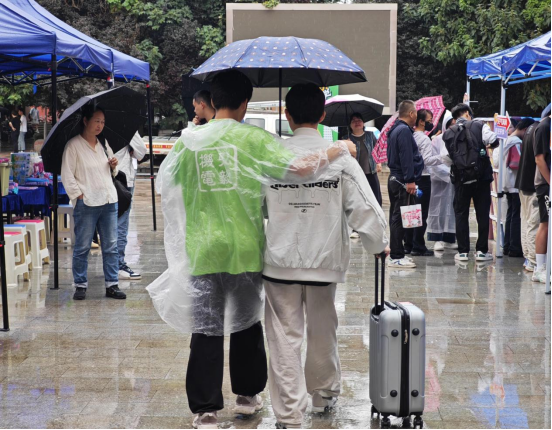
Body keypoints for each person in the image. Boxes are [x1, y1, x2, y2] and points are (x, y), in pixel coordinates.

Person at [146, 70, 350, 430]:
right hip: (244, 248)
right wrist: (339, 148)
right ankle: (246, 397)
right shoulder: (255, 139)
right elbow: (300, 168)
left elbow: (169, 184)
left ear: (212, 100)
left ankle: (205, 409)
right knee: (246, 325)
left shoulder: (189, 142)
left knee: (206, 329)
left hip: (202, 248)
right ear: (244, 103)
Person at [263, 84, 388, 430]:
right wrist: (378, 244)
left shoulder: (271, 156)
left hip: (279, 262)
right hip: (324, 260)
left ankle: (289, 415)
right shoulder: (340, 157)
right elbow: (365, 205)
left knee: (283, 339)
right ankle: (321, 396)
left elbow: (256, 206)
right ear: (322, 115)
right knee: (323, 329)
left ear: (287, 115)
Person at [61, 106, 126, 302]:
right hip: (87, 203)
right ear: (85, 121)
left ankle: (112, 285)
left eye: (103, 122)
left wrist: (113, 166)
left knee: (111, 246)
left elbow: (112, 173)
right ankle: (80, 285)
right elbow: (67, 175)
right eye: (97, 121)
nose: (100, 125)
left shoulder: (103, 144)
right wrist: (79, 196)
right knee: (82, 246)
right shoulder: (73, 146)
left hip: (108, 200)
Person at [442, 103, 498, 262]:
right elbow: (493, 139)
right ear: (467, 113)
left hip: (461, 179)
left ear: (455, 118)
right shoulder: (480, 125)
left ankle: (463, 252)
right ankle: (481, 251)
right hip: (481, 178)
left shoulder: (448, 133)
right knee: (482, 213)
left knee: (461, 214)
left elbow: (446, 158)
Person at [386, 100, 424, 268]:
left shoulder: (396, 129)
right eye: (415, 112)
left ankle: (398, 252)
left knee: (398, 216)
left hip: (397, 178)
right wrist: (410, 180)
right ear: (411, 114)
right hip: (402, 180)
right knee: (398, 218)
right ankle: (396, 256)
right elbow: (406, 156)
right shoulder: (403, 131)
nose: (416, 116)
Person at [493, 118, 536, 258]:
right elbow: (520, 162)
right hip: (515, 183)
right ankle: (515, 248)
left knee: (510, 214)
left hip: (505, 183)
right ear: (525, 129)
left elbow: (497, 162)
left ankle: (507, 246)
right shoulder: (517, 142)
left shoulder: (505, 140)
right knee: (516, 215)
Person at [406, 108, 440, 257]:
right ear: (421, 121)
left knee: (412, 212)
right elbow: (427, 160)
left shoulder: (411, 135)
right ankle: (419, 245)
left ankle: (409, 244)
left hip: (412, 177)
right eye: (429, 120)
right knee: (422, 213)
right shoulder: (425, 139)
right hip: (424, 177)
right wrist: (442, 158)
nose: (431, 123)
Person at [115, 132, 148, 280]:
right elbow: (141, 152)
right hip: (122, 180)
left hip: (102, 180)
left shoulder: (92, 126)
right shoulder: (124, 126)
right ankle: (118, 265)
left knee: (107, 225)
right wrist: (130, 150)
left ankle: (111, 265)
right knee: (120, 224)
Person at [428, 112, 457, 251]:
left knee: (452, 209)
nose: (453, 127)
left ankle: (449, 238)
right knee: (438, 208)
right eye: (450, 124)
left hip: (454, 180)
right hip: (440, 181)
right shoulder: (437, 140)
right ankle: (437, 238)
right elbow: (432, 161)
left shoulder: (459, 137)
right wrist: (447, 173)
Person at [515, 120, 541, 272]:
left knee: (526, 221)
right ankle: (533, 260)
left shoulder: (530, 130)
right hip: (533, 185)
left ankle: (528, 258)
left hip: (522, 184)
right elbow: (540, 159)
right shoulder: (540, 130)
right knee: (534, 223)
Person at [348, 113, 383, 206]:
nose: (357, 122)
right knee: (359, 202)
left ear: (363, 123)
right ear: (350, 125)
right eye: (353, 121)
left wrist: (378, 162)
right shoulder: (347, 139)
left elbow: (377, 150)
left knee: (376, 200)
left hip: (371, 174)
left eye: (359, 120)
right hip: (355, 176)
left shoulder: (370, 135)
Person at [532, 114, 550, 284]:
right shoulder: (544, 127)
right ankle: (539, 268)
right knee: (545, 223)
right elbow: (539, 159)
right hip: (545, 184)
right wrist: (550, 181)